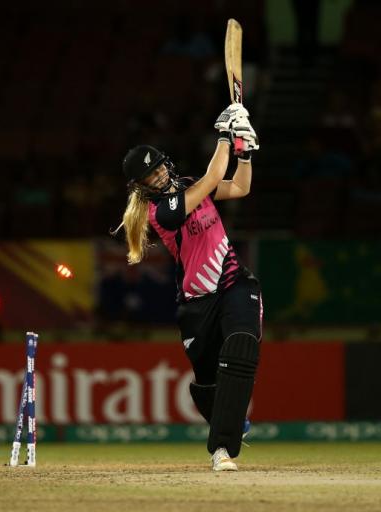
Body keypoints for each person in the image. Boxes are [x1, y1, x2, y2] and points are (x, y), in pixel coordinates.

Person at [113, 104, 261, 471]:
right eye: (151, 174)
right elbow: (211, 180)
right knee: (208, 383)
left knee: (241, 346)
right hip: (197, 304)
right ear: (141, 186)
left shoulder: (188, 185)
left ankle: (222, 450)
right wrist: (226, 136)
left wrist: (246, 153)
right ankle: (230, 422)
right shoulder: (159, 212)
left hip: (235, 283)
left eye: (160, 166)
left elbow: (240, 187)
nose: (160, 174)